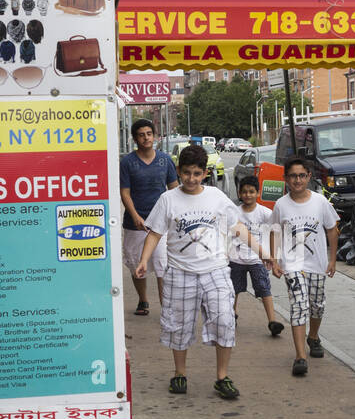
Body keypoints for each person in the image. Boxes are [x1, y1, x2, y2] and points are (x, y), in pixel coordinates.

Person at [135, 145, 265, 400]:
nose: (191, 179)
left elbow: (238, 226)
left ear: (204, 173)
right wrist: (143, 260)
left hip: (214, 271)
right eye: (186, 173)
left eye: (196, 173)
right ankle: (180, 373)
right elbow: (155, 233)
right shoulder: (168, 199)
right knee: (178, 325)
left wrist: (264, 252)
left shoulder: (216, 197)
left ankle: (222, 377)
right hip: (180, 273)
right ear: (178, 171)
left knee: (225, 320)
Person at [270, 157, 339, 377]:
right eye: (293, 176)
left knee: (317, 305)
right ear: (286, 179)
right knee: (299, 305)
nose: (297, 180)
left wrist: (333, 259)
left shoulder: (320, 202)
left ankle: (313, 336)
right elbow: (273, 231)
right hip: (292, 264)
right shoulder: (281, 205)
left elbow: (332, 229)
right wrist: (275, 259)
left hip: (317, 264)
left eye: (301, 175)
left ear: (309, 177)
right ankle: (300, 356)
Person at [120, 119, 178, 316]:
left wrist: (175, 216)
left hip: (160, 224)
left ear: (154, 136)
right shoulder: (127, 162)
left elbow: (174, 189)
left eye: (149, 134)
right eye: (141, 135)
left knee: (162, 264)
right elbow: (125, 192)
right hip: (135, 224)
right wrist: (135, 215)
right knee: (137, 264)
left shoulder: (165, 160)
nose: (146, 138)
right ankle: (143, 300)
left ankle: (166, 308)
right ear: (135, 138)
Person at [228, 178, 285, 338]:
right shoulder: (234, 212)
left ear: (258, 193)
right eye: (244, 191)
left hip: (258, 260)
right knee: (233, 289)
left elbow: (275, 231)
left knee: (264, 288)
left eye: (251, 191)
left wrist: (274, 258)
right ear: (239, 193)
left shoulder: (265, 213)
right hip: (236, 258)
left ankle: (272, 321)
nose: (248, 195)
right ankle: (231, 314)